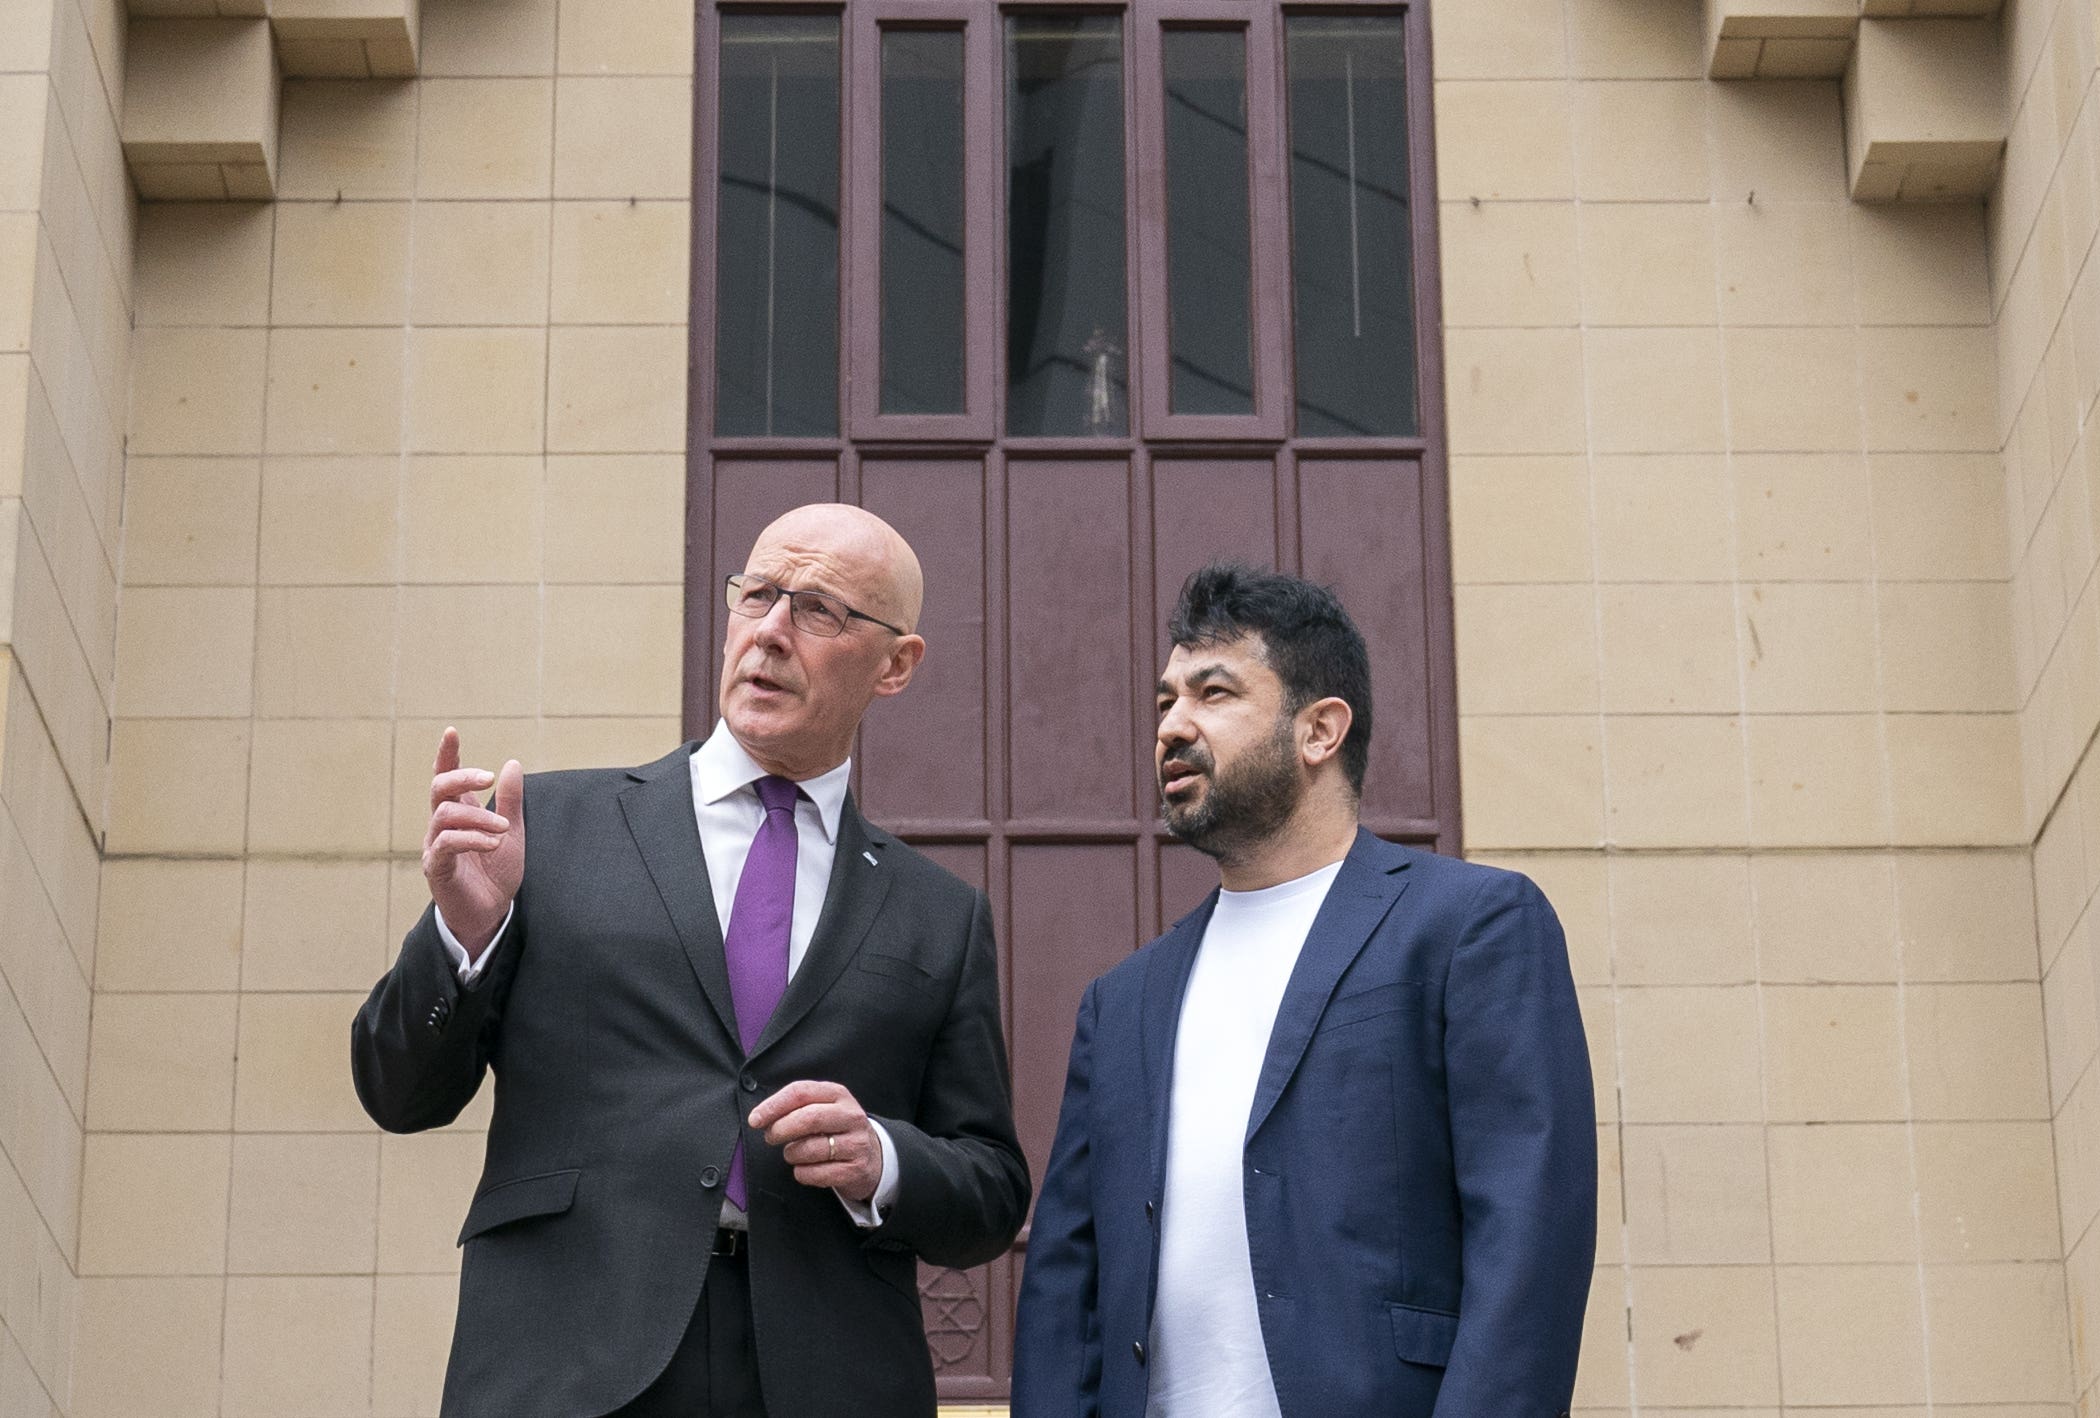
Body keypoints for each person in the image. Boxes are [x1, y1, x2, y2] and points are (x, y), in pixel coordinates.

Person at [352, 504, 1029, 1418]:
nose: (771, 633)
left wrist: (880, 1157)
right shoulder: (545, 830)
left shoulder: (938, 917)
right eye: (757, 595)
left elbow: (989, 1190)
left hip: (824, 1371)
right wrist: (465, 938)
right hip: (565, 1359)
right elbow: (399, 1095)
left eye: (821, 611)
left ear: (896, 665)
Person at [1012, 564, 1596, 1418]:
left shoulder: (1470, 926)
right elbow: (1068, 1285)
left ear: (1319, 730)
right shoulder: (1122, 1001)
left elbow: (1529, 1241)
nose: (1173, 726)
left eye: (1213, 694)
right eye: (1165, 701)